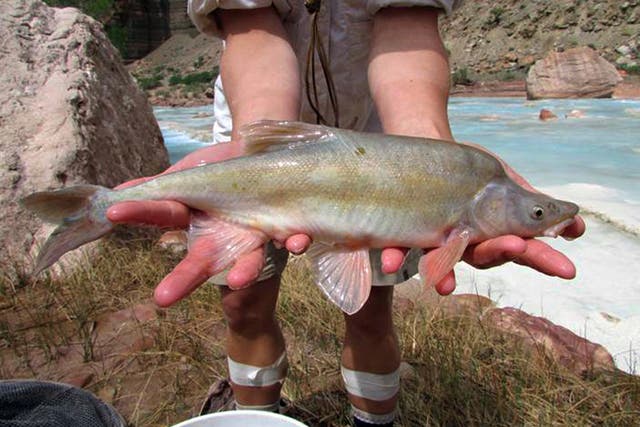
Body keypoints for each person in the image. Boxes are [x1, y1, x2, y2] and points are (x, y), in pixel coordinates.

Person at [107, 2, 586, 425]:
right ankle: (255, 417)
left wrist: (430, 151)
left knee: (370, 313)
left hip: (384, 149)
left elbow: (407, 29)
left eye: (539, 214)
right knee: (242, 304)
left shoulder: (474, 182)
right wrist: (257, 149)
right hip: (259, 136)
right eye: (538, 214)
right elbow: (252, 31)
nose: (544, 217)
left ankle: (373, 421)